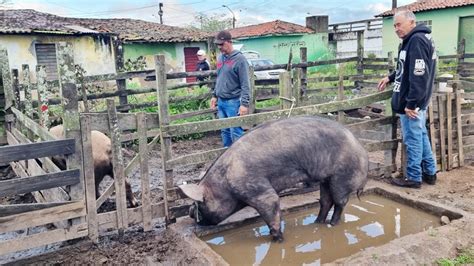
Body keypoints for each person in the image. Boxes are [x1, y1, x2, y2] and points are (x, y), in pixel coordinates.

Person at [377, 10, 437, 189]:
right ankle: (430, 173)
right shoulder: (413, 40)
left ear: (411, 22)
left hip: (411, 104)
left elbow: (419, 75)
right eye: (394, 25)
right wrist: (390, 77)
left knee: (412, 139)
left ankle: (413, 177)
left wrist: (411, 103)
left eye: (399, 24)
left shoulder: (416, 40)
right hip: (417, 102)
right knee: (421, 136)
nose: (396, 29)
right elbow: (406, 67)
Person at [210, 30, 251, 147]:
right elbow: (219, 78)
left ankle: (241, 158)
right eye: (218, 45)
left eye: (222, 44)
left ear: (229, 42)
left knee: (236, 131)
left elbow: (245, 83)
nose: (219, 47)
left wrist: (244, 104)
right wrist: (214, 95)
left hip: (234, 101)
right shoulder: (220, 58)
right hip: (221, 101)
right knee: (224, 130)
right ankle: (226, 155)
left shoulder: (240, 60)